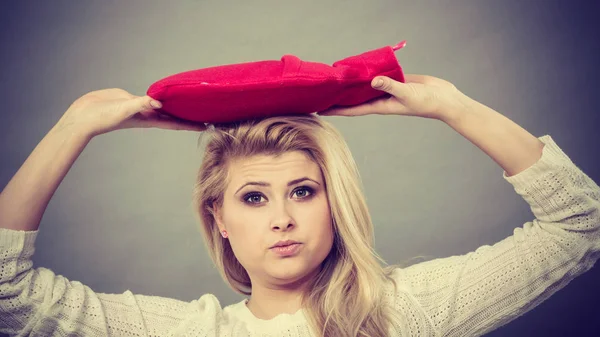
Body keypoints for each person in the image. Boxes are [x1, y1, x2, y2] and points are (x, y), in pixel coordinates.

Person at [0, 74, 598, 337]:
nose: (282, 218)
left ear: (333, 204)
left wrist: (452, 106)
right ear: (221, 222)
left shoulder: (407, 313)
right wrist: (72, 127)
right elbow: (8, 294)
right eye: (254, 198)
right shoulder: (189, 332)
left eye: (304, 192)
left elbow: (582, 224)